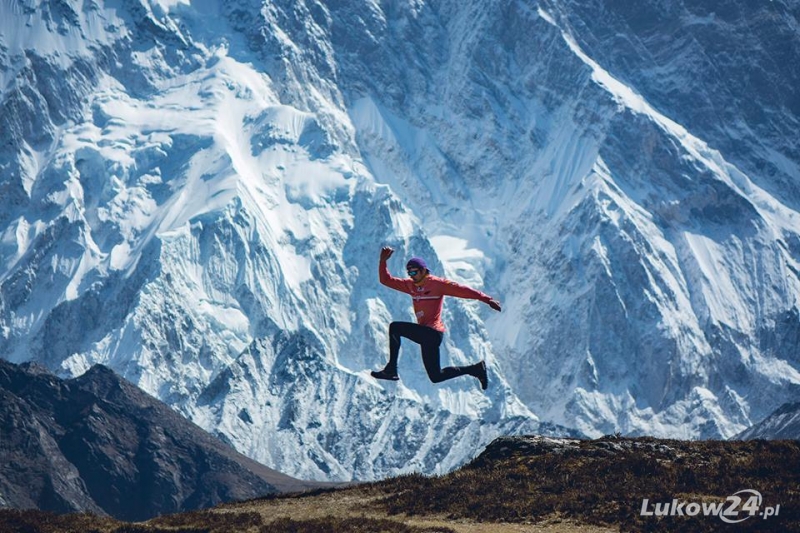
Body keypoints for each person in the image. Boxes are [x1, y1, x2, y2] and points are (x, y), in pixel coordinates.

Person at [371, 246, 502, 390]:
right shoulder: (410, 285)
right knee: (436, 376)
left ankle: (391, 369)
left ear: (423, 271)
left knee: (395, 327)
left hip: (433, 333)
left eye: (414, 272)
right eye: (409, 273)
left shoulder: (437, 284)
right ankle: (475, 369)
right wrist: (382, 261)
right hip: (425, 335)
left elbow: (463, 290)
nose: (411, 276)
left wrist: (487, 299)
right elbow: (386, 280)